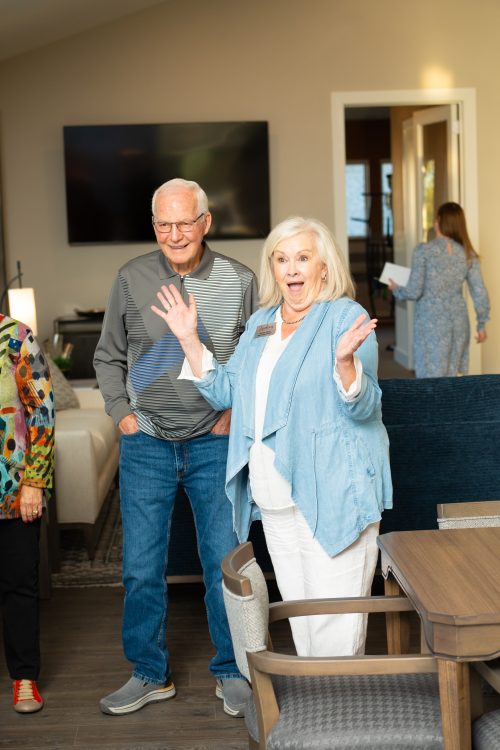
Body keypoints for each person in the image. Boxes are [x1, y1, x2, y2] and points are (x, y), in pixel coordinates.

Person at [152, 216, 392, 657]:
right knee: (302, 619)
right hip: (276, 498)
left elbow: (365, 406)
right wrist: (188, 339)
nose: (292, 269)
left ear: (324, 266)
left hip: (333, 495)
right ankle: (317, 720)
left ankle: (342, 719)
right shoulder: (262, 323)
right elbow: (227, 391)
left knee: (335, 625)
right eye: (281, 259)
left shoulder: (345, 317)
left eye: (303, 257)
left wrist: (343, 365)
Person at [94, 178, 257, 716]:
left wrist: (236, 412)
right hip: (148, 445)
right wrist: (121, 415)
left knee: (224, 564)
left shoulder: (240, 280)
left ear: (206, 222)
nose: (174, 233)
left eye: (184, 222)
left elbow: (255, 362)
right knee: (140, 566)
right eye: (163, 223)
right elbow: (107, 357)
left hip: (216, 442)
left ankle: (231, 669)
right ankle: (149, 671)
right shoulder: (131, 277)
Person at [0, 314, 55, 713]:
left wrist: (34, 482)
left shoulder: (17, 337)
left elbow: (42, 412)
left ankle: (24, 677)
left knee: (18, 583)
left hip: (12, 490)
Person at [388, 202, 490, 378]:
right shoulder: (467, 254)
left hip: (431, 321)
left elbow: (414, 291)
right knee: (452, 377)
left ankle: (435, 407)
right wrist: (481, 325)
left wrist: (396, 289)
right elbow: (479, 292)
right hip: (458, 320)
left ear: (440, 221)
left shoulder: (424, 251)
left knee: (431, 378)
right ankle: (451, 406)